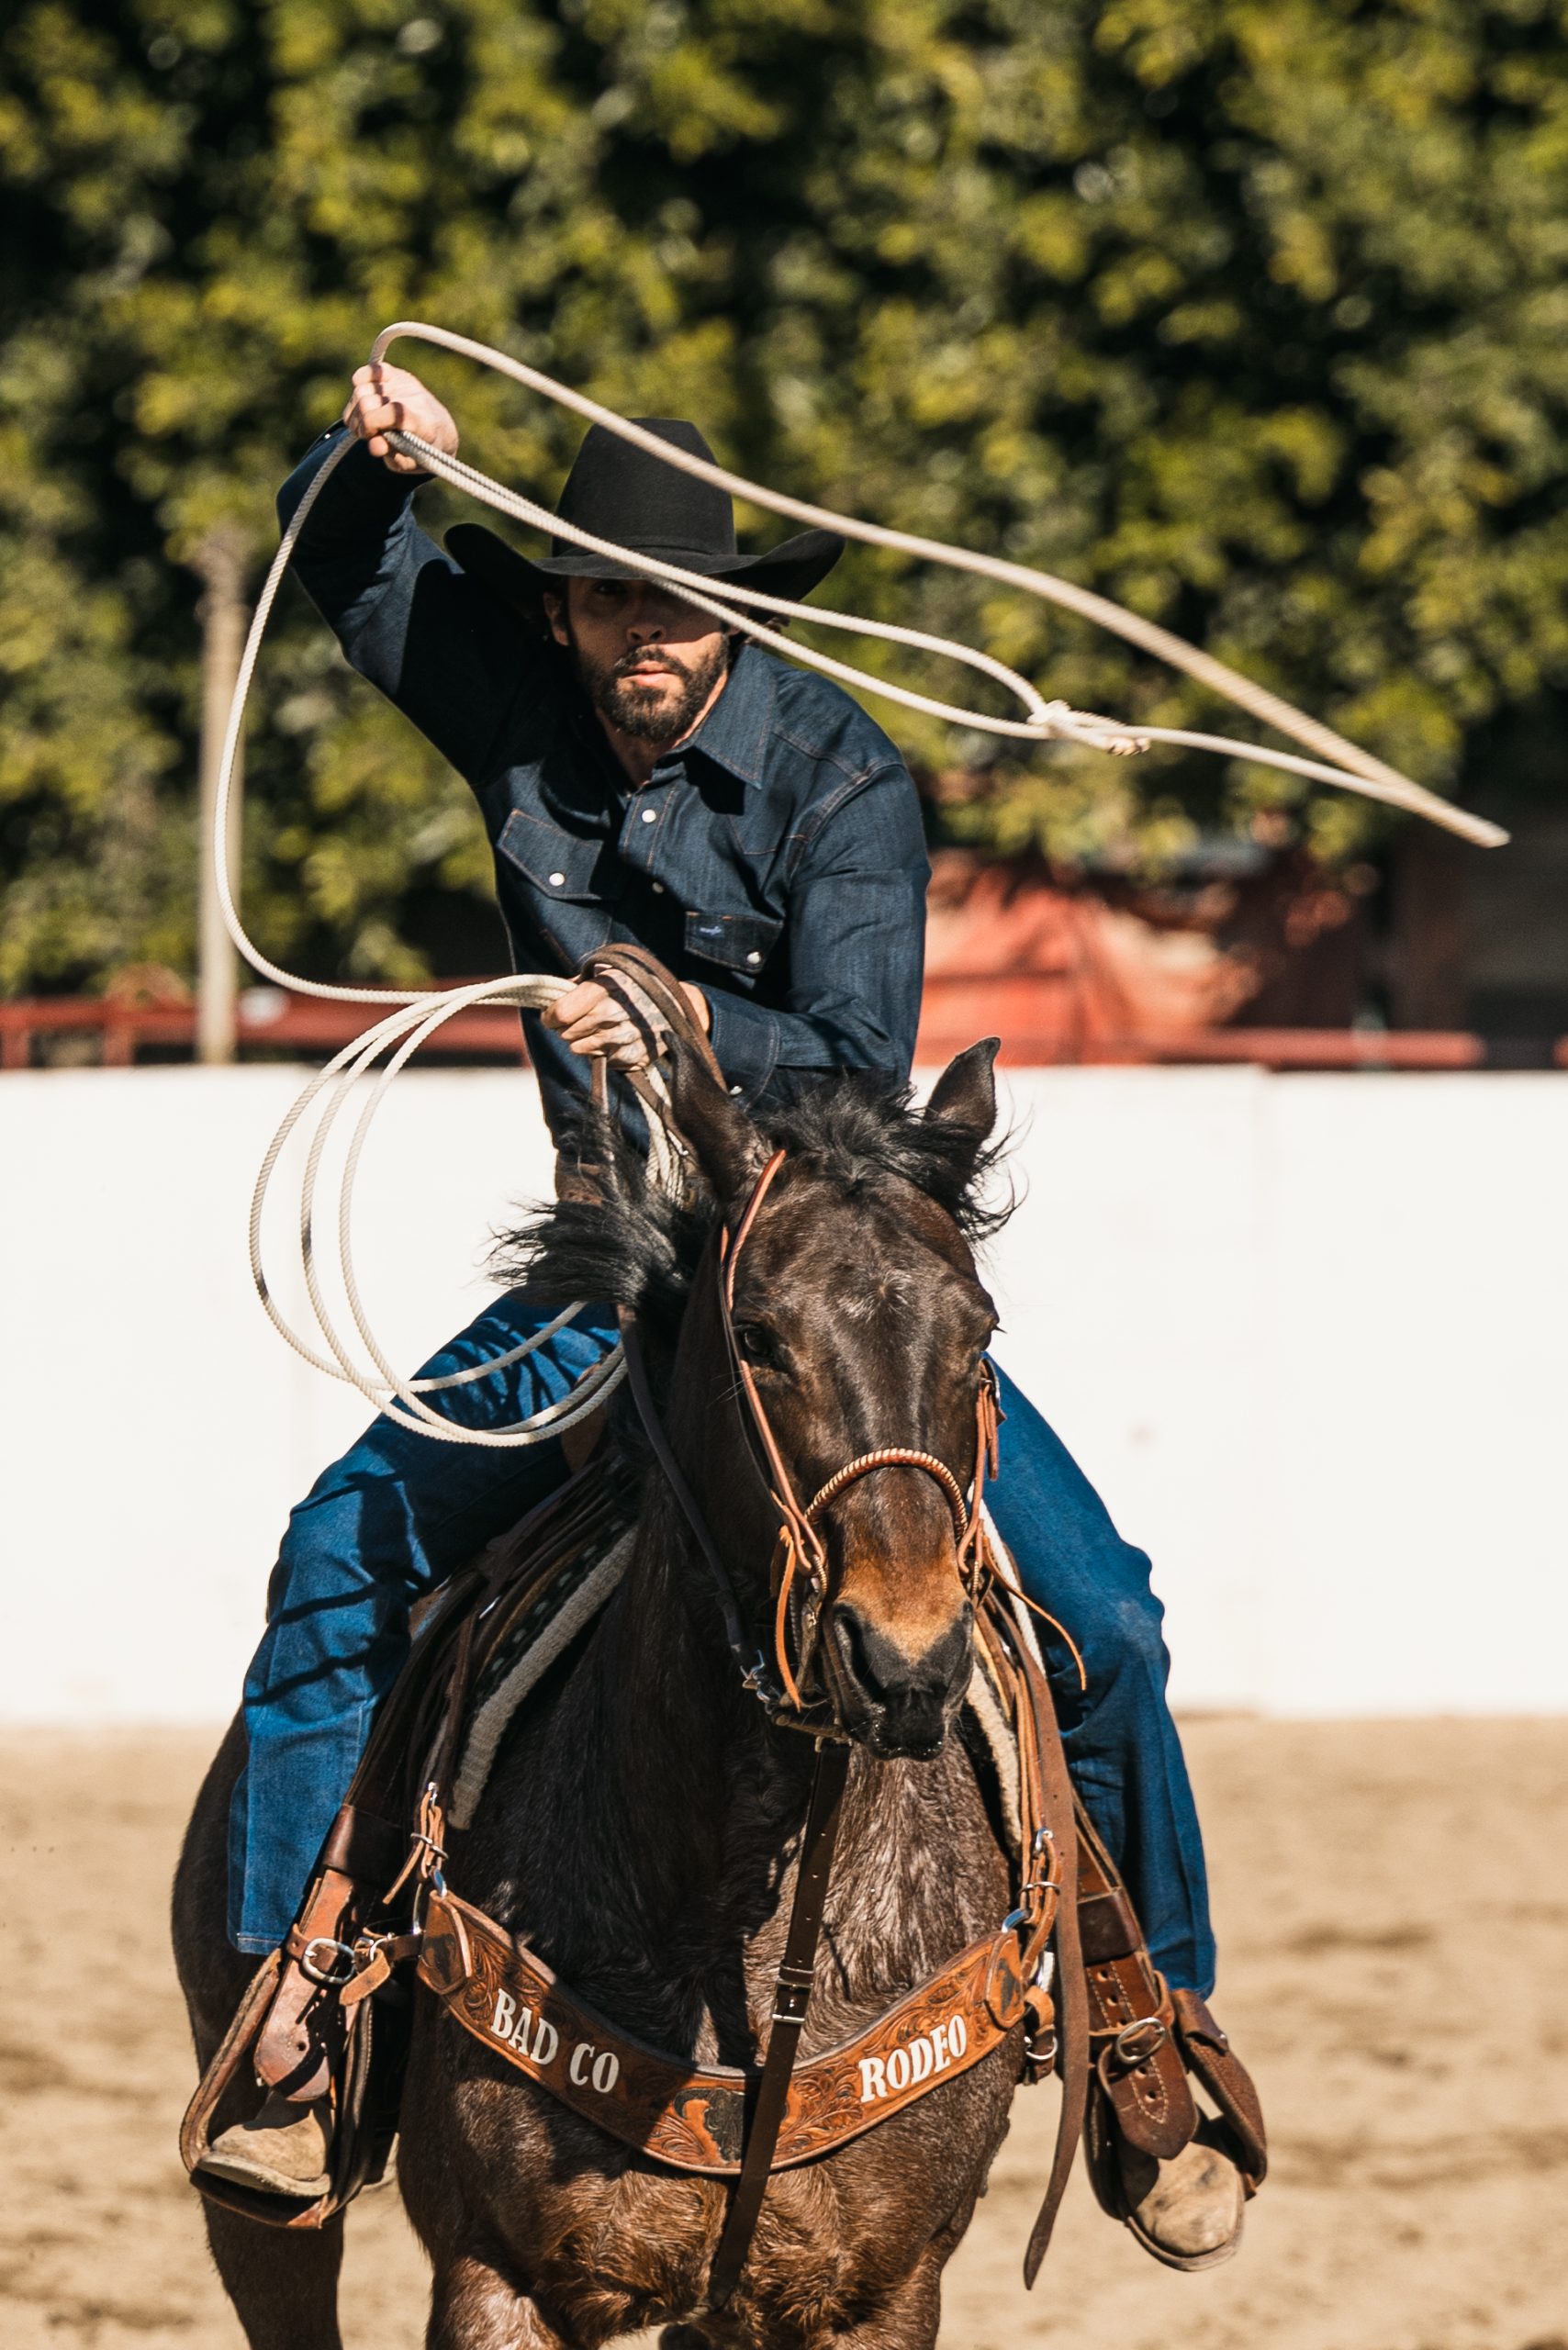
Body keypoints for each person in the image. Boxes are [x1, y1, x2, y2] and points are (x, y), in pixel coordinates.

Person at [201, 363, 1245, 2261]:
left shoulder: (845, 781)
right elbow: (350, 579)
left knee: (1103, 1617)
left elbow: (857, 1072)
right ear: (565, 610)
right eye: (608, 599)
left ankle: (1145, 2023)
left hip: (804, 1291)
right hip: (613, 1280)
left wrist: (678, 1021)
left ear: (732, 609)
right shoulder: (520, 709)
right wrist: (361, 452)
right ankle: (302, 2017)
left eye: (674, 602)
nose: (643, 638)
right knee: (335, 1554)